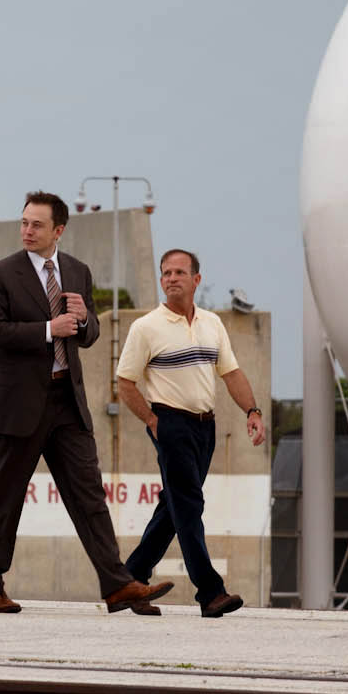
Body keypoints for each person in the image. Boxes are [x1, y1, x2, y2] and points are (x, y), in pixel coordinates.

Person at [0, 192, 174, 616]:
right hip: (19, 403)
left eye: (37, 225)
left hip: (67, 401)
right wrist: (48, 328)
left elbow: (91, 333)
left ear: (58, 230)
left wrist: (82, 321)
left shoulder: (78, 271)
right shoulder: (0, 274)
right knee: (4, 499)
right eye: (24, 222)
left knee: (88, 495)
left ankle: (116, 585)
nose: (27, 230)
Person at [114, 250, 267, 619]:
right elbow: (125, 382)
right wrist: (153, 422)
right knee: (188, 507)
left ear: (196, 279)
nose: (171, 278)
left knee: (174, 506)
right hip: (171, 423)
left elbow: (231, 373)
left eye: (180, 272)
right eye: (166, 273)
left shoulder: (212, 323)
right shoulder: (147, 327)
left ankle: (127, 581)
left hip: (205, 425)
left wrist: (252, 411)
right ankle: (210, 592)